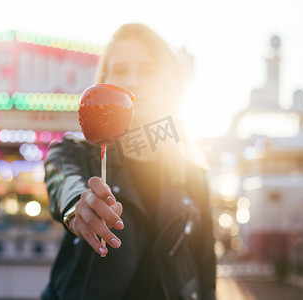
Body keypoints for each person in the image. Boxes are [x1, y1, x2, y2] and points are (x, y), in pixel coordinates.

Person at [42, 23, 216, 300]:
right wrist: (77, 204)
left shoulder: (193, 179)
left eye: (146, 71)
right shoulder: (77, 152)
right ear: (105, 78)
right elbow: (61, 176)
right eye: (121, 70)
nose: (133, 80)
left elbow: (205, 272)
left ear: (166, 83)